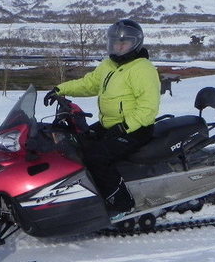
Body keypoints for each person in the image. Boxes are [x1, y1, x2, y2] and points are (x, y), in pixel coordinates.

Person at [44, 19, 161, 216]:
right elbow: (89, 83)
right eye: (115, 42)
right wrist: (60, 89)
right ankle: (87, 193)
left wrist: (125, 126)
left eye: (124, 43)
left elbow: (148, 107)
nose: (118, 47)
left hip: (136, 129)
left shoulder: (142, 69)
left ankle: (121, 204)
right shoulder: (109, 64)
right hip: (111, 125)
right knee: (79, 144)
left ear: (136, 43)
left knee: (96, 157)